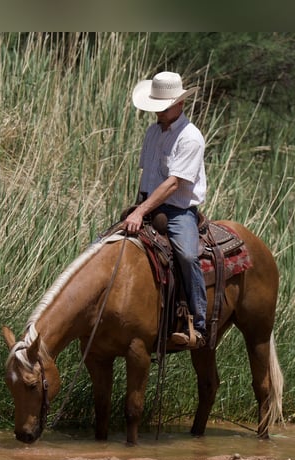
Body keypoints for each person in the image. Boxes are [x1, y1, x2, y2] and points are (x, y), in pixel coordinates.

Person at [123, 71, 207, 349]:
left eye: (163, 107)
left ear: (180, 104)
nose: (157, 113)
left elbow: (173, 184)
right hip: (148, 203)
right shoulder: (152, 132)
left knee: (186, 254)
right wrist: (137, 206)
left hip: (179, 211)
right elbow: (148, 175)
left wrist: (139, 212)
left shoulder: (191, 137)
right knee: (106, 242)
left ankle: (198, 321)